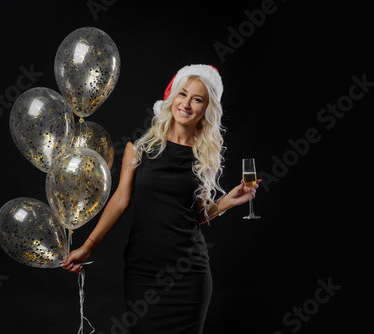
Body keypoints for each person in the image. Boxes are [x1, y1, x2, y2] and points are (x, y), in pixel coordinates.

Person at [62, 64, 261, 333]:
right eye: (183, 94)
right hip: (142, 272)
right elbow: (120, 200)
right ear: (172, 98)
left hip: (189, 275)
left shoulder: (205, 157)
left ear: (206, 109)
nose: (187, 104)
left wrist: (226, 203)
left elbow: (194, 217)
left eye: (197, 99)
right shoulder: (140, 148)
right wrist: (88, 246)